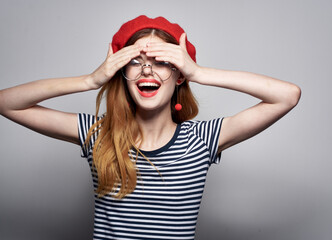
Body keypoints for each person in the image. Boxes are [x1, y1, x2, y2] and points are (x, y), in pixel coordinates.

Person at [0, 15, 301, 240]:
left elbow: (287, 96)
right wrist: (89, 81)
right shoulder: (98, 134)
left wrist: (199, 72)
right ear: (122, 74)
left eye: (161, 61)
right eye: (136, 62)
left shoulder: (202, 140)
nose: (147, 69)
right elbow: (6, 102)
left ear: (179, 75)